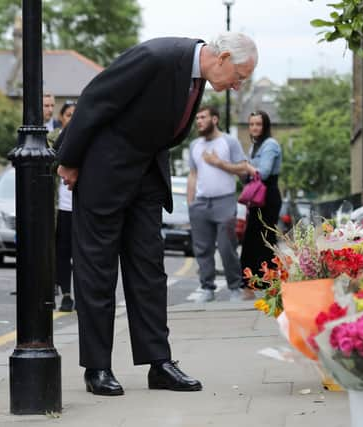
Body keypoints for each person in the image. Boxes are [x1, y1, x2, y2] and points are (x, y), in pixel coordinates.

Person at [55, 32, 257, 397]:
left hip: (146, 179)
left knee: (150, 271)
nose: (238, 86)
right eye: (239, 76)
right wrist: (69, 159)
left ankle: (158, 363)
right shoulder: (157, 56)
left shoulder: (196, 78)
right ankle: (97, 368)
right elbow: (96, 99)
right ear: (223, 57)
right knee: (97, 272)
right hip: (106, 174)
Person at [186, 106, 255, 303]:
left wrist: (219, 163)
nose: (198, 121)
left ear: (214, 119)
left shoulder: (229, 142)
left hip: (224, 201)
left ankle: (234, 287)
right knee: (202, 249)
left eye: (203, 117)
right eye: (197, 118)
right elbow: (193, 175)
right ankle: (207, 287)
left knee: (227, 247)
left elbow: (243, 169)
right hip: (200, 203)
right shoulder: (194, 146)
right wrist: (191, 204)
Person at [238, 111, 282, 295]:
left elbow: (262, 173)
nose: (254, 128)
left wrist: (245, 166)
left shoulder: (270, 145)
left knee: (265, 239)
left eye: (258, 124)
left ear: (265, 126)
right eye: (252, 124)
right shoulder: (254, 147)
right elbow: (247, 177)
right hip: (256, 198)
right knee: (251, 238)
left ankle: (267, 280)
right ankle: (251, 280)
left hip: (268, 197)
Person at [50, 101, 76, 312]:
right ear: (62, 118)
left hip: (83, 207)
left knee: (83, 254)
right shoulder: (55, 138)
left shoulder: (87, 138)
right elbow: (50, 163)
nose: (72, 119)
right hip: (63, 209)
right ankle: (66, 294)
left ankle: (83, 294)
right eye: (68, 115)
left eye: (75, 115)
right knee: (63, 252)